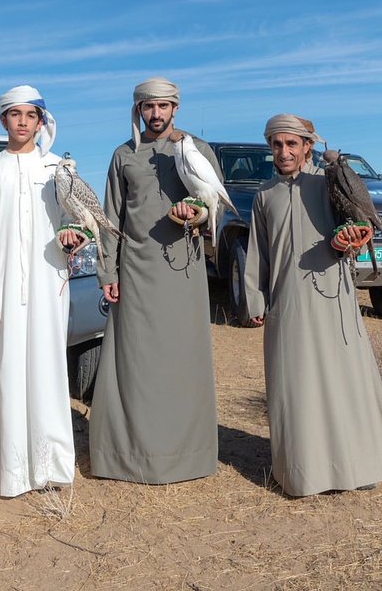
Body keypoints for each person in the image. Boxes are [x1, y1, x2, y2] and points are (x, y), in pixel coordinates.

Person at [89, 77, 220, 484]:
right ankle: (129, 455)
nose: (156, 113)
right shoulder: (123, 155)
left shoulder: (196, 149)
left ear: (176, 108)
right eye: (149, 106)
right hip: (135, 269)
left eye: (163, 106)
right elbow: (109, 218)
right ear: (138, 110)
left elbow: (213, 206)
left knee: (182, 357)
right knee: (136, 360)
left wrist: (197, 215)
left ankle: (188, 455)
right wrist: (107, 271)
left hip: (183, 267)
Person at [245, 113, 382, 497]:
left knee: (343, 382)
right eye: (277, 144)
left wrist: (348, 241)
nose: (284, 152)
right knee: (296, 388)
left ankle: (359, 466)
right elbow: (258, 254)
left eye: (292, 143)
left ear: (308, 146)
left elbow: (357, 229)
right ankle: (303, 474)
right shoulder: (264, 195)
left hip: (333, 297)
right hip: (287, 302)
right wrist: (256, 299)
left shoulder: (328, 183)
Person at [0, 85, 81, 497]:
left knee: (48, 369)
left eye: (30, 115)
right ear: (3, 120)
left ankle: (51, 467)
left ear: (40, 121)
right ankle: (12, 471)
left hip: (49, 281)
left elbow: (76, 219)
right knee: (7, 371)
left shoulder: (57, 169)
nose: (22, 122)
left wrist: (77, 236)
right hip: (2, 287)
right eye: (14, 114)